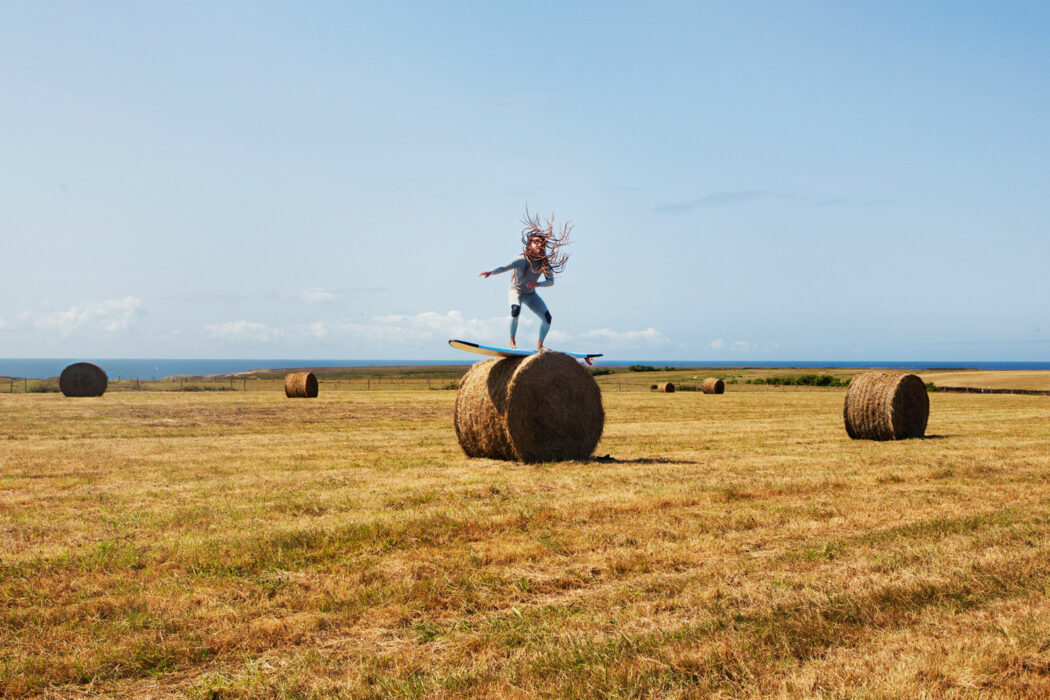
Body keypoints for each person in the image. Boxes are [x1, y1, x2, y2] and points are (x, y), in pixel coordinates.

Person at [479, 209, 572, 350]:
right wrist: (491, 272)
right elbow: (505, 267)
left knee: (548, 318)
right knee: (515, 310)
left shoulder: (544, 263)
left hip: (531, 294)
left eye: (542, 243)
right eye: (536, 243)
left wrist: (538, 284)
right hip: (516, 291)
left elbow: (551, 281)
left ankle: (539, 346)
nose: (539, 245)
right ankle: (512, 342)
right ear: (529, 245)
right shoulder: (521, 259)